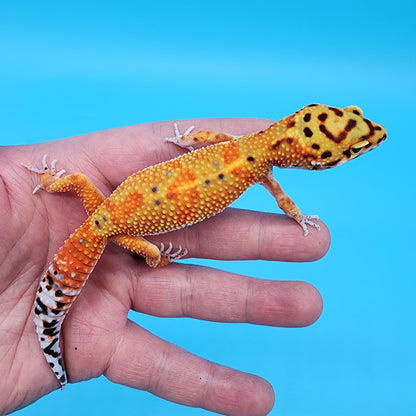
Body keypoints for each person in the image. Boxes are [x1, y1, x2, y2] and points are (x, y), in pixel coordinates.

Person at [0, 118, 328, 416]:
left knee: (80, 182)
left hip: (107, 211)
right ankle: (156, 261)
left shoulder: (234, 142)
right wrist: (298, 217)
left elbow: (207, 136)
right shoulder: (257, 166)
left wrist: (187, 140)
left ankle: (48, 182)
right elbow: (283, 201)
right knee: (152, 253)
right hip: (116, 228)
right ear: (309, 163)